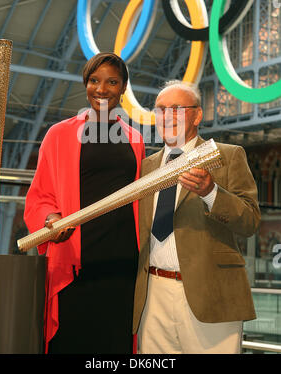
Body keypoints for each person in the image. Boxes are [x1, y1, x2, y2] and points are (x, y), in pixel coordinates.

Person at [24, 52, 145, 354]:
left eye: (112, 82)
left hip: (123, 261)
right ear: (85, 83)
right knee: (72, 340)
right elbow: (39, 197)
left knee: (115, 344)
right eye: (94, 80)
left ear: (123, 88)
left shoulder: (135, 139)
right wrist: (50, 219)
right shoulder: (59, 134)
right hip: (77, 259)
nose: (102, 89)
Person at [133, 80, 260, 354]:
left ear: (197, 115)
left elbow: (250, 220)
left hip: (212, 296)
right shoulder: (146, 166)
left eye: (177, 108)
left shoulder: (227, 156)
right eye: (161, 109)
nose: (167, 116)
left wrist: (211, 192)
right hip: (153, 297)